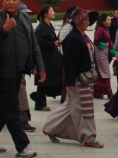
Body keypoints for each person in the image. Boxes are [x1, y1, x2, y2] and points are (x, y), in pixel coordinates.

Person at [0, 0, 44, 158]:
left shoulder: (24, 18)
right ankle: (22, 145)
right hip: (3, 71)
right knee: (12, 108)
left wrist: (39, 66)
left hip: (19, 70)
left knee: (4, 106)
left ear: (20, 1)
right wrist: (4, 29)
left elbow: (33, 44)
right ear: (2, 1)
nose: (11, 2)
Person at [42, 9, 104, 148]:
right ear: (77, 21)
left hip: (86, 77)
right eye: (85, 20)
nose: (87, 22)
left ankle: (50, 127)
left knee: (70, 106)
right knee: (85, 109)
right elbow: (69, 62)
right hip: (78, 79)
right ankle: (89, 137)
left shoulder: (83, 36)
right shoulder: (72, 38)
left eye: (88, 20)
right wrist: (69, 81)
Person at [31, 5, 62, 111]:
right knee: (43, 81)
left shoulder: (49, 26)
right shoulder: (41, 28)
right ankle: (40, 104)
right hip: (44, 58)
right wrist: (52, 44)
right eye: (51, 11)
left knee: (50, 81)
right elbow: (39, 42)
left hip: (51, 57)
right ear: (45, 14)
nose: (54, 12)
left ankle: (38, 97)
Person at [17, 2, 36, 132]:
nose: (26, 16)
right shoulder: (12, 26)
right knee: (20, 92)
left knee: (11, 94)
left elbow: (32, 47)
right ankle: (23, 120)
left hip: (23, 65)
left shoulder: (27, 28)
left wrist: (32, 64)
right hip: (13, 67)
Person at [93, 13, 115, 99]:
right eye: (108, 20)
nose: (110, 21)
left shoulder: (106, 29)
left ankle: (98, 92)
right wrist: (104, 45)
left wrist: (115, 52)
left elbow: (110, 42)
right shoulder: (99, 29)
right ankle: (109, 92)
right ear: (103, 21)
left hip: (104, 52)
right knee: (104, 72)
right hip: (99, 53)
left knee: (102, 72)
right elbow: (96, 41)